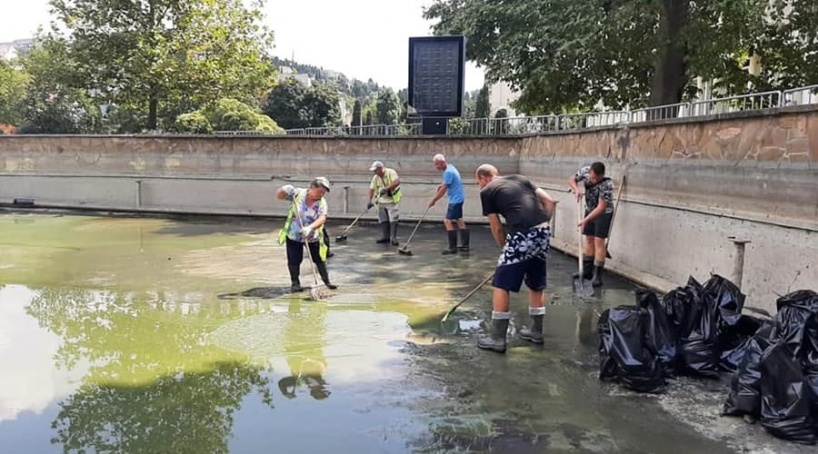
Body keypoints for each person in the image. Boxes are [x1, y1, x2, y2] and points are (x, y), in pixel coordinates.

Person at [475, 164, 556, 353]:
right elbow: (550, 202)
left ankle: (497, 338)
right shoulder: (519, 179)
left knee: (501, 283)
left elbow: (496, 228)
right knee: (536, 282)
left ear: (482, 178)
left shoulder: (487, 191)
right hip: (542, 231)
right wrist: (541, 227)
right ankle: (536, 332)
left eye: (477, 182)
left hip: (521, 234)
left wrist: (506, 250)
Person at [276, 177, 337, 293]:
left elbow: (322, 218)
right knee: (294, 259)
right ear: (312, 188)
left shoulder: (321, 202)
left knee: (319, 258)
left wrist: (310, 228)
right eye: (320, 191)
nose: (321, 195)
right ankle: (295, 283)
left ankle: (326, 281)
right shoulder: (297, 194)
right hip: (294, 235)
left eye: (323, 193)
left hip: (312, 236)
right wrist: (283, 190)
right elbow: (279, 196)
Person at [567, 161, 615, 287]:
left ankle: (597, 277)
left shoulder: (607, 184)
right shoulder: (586, 171)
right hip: (589, 208)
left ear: (601, 175)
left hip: (603, 212)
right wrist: (576, 189)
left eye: (596, 178)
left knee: (599, 241)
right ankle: (587, 271)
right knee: (588, 239)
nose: (593, 180)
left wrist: (586, 220)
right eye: (592, 177)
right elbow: (572, 179)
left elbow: (601, 207)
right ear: (590, 172)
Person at [428, 153, 469, 254]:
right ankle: (465, 245)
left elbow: (443, 190)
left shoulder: (448, 172)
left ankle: (452, 248)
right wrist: (441, 185)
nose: (436, 167)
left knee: (447, 221)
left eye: (437, 164)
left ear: (442, 162)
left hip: (455, 200)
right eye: (435, 164)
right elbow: (447, 183)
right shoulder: (450, 168)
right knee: (459, 220)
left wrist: (433, 200)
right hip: (459, 198)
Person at [366, 161, 402, 246]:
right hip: (381, 200)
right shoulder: (376, 177)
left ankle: (393, 238)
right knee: (383, 218)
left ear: (380, 168)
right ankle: (385, 236)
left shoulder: (391, 172)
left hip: (392, 199)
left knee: (393, 218)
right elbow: (371, 188)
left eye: (376, 170)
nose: (375, 172)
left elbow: (397, 182)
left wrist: (386, 188)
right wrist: (369, 201)